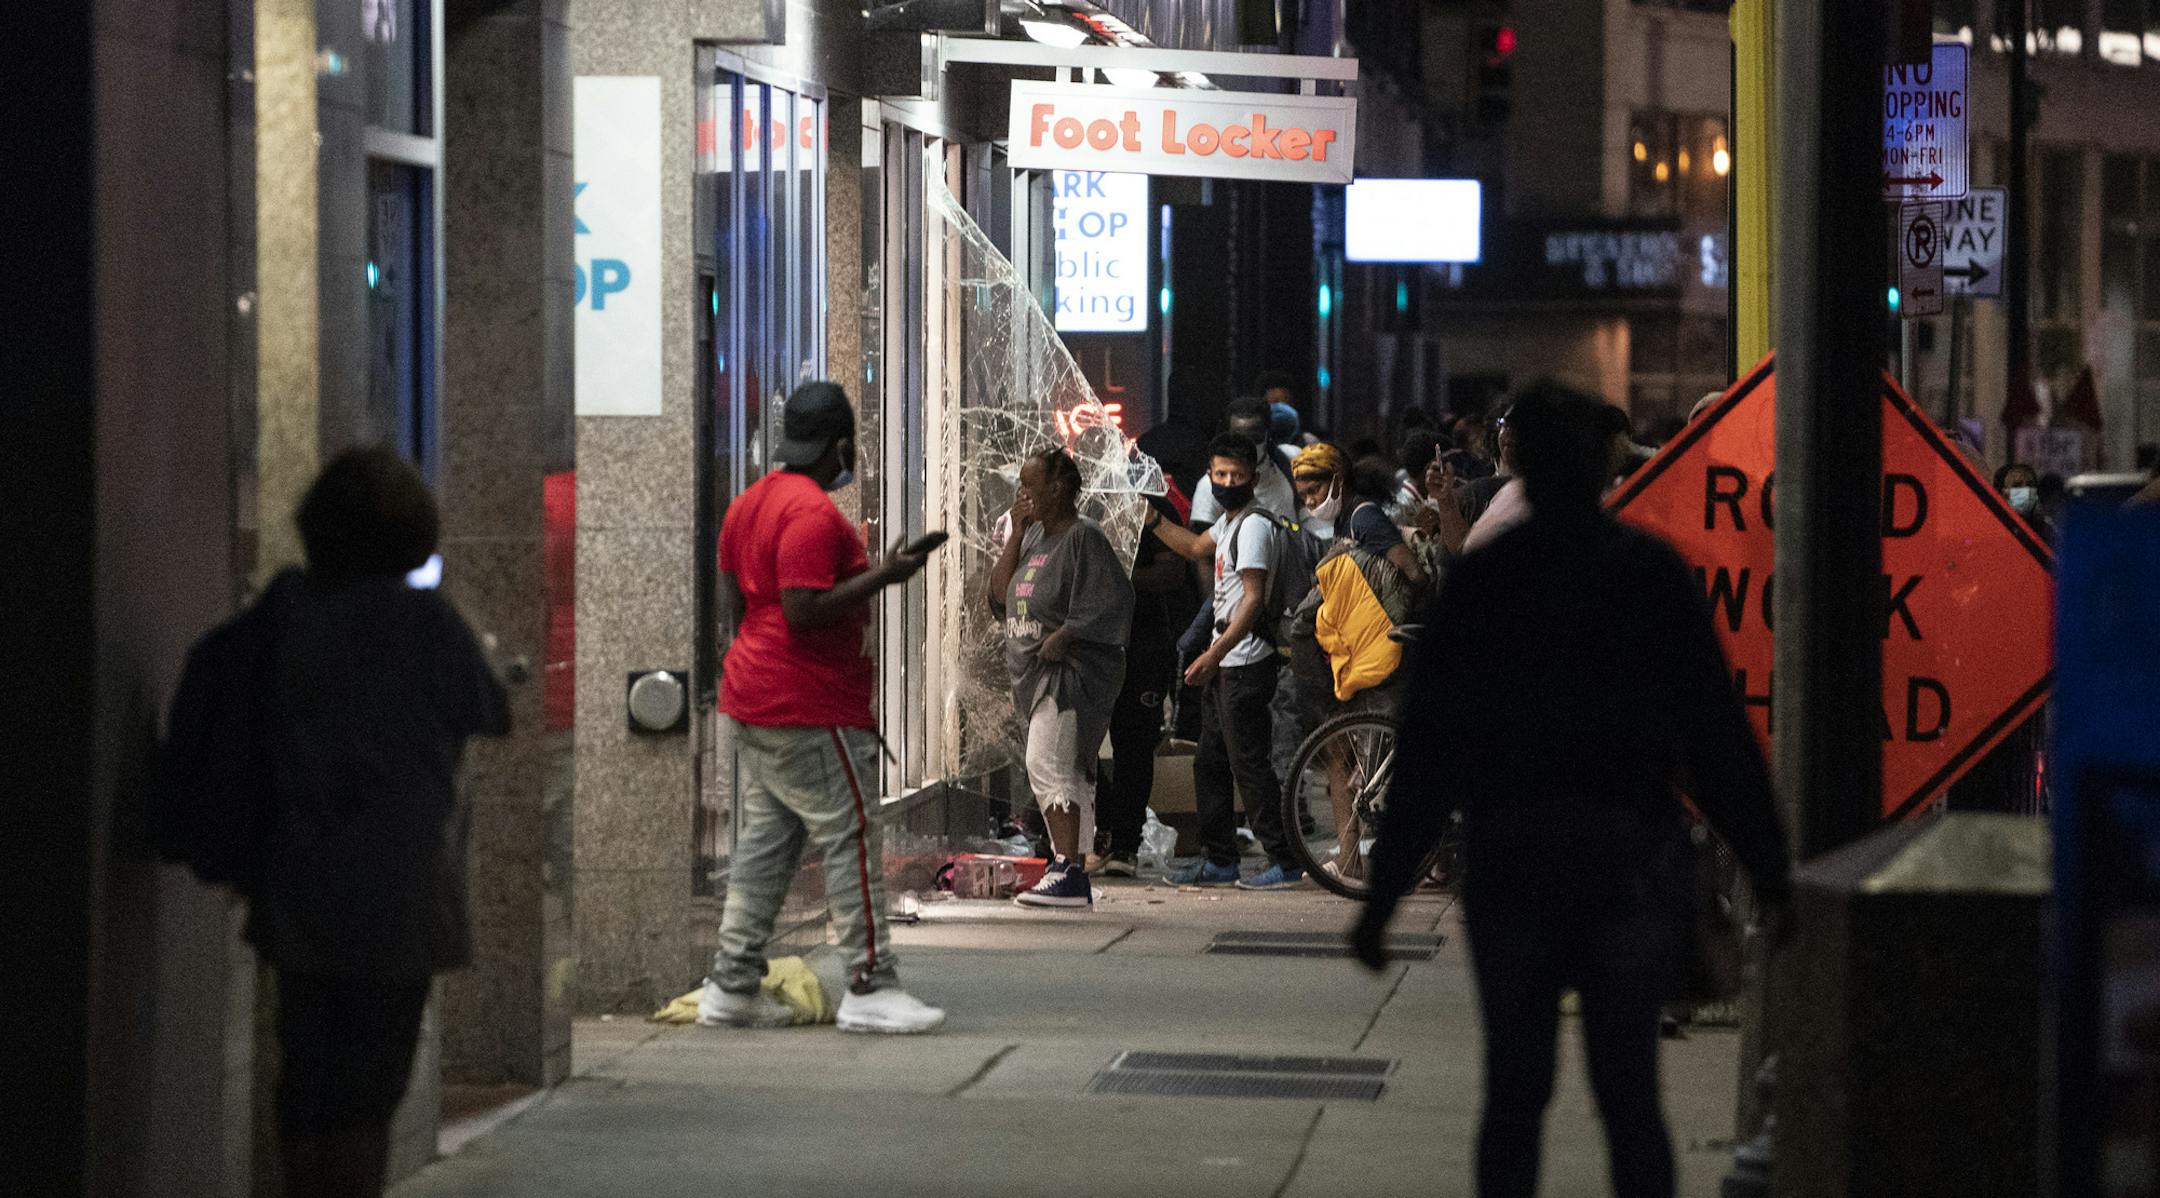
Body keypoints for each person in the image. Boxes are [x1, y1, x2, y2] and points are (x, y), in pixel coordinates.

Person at [1350, 383, 1792, 1198]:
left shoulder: (1487, 581)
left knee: (1515, 1094)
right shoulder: (1649, 574)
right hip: (1627, 860)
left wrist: (1382, 901)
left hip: (1514, 858)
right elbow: (1716, 738)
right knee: (1629, 1093)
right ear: (1600, 467)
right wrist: (1769, 866)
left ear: (1522, 463)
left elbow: (1428, 748)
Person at [181, 448, 510, 1198]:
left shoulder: (284, 621)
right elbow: (491, 708)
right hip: (397, 895)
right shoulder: (425, 624)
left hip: (297, 884)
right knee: (369, 1091)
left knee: (307, 1083)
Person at [701, 381, 947, 1035]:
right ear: (842, 444)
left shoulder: (747, 505)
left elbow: (736, 604)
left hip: (755, 694)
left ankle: (730, 984)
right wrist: (886, 575)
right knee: (851, 835)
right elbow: (802, 610)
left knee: (765, 846)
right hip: (808, 702)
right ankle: (869, 984)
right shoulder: (811, 514)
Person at [1148, 434, 1305, 890]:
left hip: (1244, 663)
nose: (1227, 482)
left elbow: (1252, 602)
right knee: (1210, 763)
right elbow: (1196, 548)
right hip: (1228, 663)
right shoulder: (1230, 522)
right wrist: (1153, 519)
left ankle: (1284, 859)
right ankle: (1220, 860)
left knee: (1248, 766)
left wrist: (1212, 657)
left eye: (1237, 475)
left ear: (1254, 477)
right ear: (1210, 475)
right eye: (1220, 475)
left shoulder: (1254, 526)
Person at [987, 447, 1136, 906]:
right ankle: (1068, 864)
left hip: (1067, 677)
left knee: (1046, 764)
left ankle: (1068, 868)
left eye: (1030, 487)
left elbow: (1113, 599)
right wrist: (1016, 534)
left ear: (1058, 489)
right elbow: (999, 595)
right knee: (1064, 771)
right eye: (1020, 488)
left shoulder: (1082, 536)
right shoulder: (1032, 538)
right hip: (1032, 672)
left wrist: (1070, 632)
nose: (1023, 495)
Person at [1095, 483, 1192, 877]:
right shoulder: (1074, 506)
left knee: (1134, 744)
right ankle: (1098, 831)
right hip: (1088, 643)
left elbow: (1172, 571)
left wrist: (1112, 579)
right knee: (1072, 743)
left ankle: (1124, 843)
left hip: (1143, 641)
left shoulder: (1148, 505)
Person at [1187, 395, 1300, 528]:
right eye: (1239, 438)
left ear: (1267, 434)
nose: (1247, 445)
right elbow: (1200, 544)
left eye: (1255, 437)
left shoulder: (1289, 461)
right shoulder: (1210, 486)